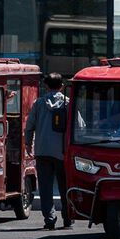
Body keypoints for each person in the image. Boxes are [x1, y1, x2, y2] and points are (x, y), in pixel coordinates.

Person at [24, 75, 69, 229]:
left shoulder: (39, 103)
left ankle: (50, 219)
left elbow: (29, 126)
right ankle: (68, 217)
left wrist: (28, 143)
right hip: (63, 152)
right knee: (65, 185)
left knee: (45, 187)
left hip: (42, 150)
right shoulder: (68, 103)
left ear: (46, 86)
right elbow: (80, 126)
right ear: (62, 86)